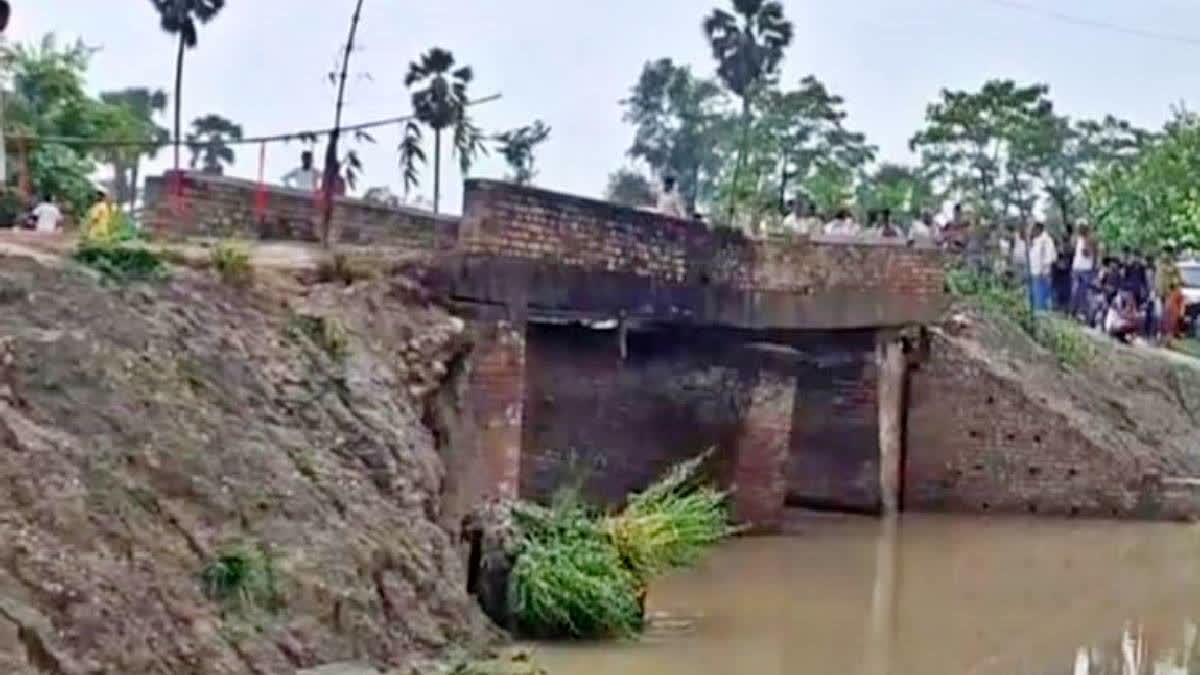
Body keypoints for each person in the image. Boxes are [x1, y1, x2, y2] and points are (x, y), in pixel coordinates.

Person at [1069, 224, 1099, 320]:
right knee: (1075, 291)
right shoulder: (1078, 239)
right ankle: (1074, 311)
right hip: (1077, 267)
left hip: (1086, 269)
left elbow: (1091, 254)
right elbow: (1073, 248)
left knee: (1084, 292)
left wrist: (1087, 250)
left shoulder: (1091, 240)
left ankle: (1084, 313)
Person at [1157, 244, 1184, 343]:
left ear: (1170, 254)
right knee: (1161, 315)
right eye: (1163, 252)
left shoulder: (1174, 266)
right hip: (1160, 293)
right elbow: (1157, 279)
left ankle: (1168, 336)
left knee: (1168, 316)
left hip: (1170, 294)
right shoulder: (1159, 264)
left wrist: (1173, 283)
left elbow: (1179, 279)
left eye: (1167, 253)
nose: (1164, 255)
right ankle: (1161, 335)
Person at [1029, 222, 1057, 312]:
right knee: (1035, 293)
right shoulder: (1035, 240)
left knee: (1042, 294)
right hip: (1034, 271)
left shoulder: (1047, 240)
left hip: (1042, 272)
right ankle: (1037, 310)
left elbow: (1050, 257)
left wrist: (1043, 270)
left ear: (1039, 229)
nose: (1032, 231)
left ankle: (1042, 311)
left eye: (1033, 229)